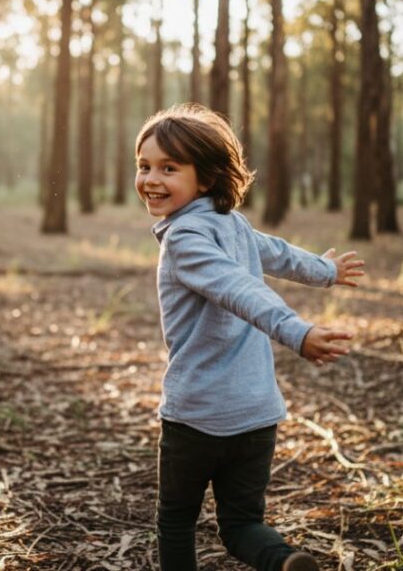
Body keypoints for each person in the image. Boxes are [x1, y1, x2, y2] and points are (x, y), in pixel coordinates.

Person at [134, 104, 365, 571]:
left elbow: (239, 289)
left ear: (206, 178)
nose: (150, 179)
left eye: (168, 168)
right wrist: (325, 271)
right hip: (257, 412)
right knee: (242, 525)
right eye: (144, 166)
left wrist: (297, 332)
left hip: (196, 414)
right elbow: (276, 253)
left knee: (175, 521)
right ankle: (283, 562)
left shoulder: (185, 238)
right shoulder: (231, 224)